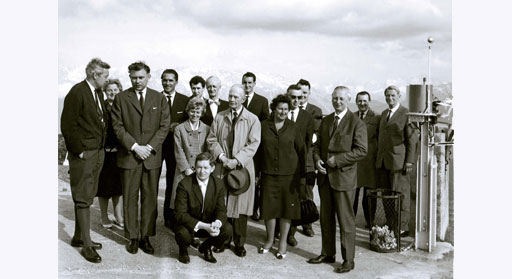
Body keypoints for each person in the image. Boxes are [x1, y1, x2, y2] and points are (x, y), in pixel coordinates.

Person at [111, 61, 170, 255]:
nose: (137, 81)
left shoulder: (159, 98)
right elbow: (117, 127)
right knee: (129, 198)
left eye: (141, 77)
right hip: (130, 157)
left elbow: (164, 127)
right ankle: (132, 237)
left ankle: (145, 237)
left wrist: (149, 148)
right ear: (129, 77)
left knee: (150, 199)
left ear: (148, 77)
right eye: (134, 77)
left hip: (151, 158)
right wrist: (136, 147)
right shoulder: (121, 98)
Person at [308, 86, 367, 274]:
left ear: (348, 100)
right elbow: (316, 146)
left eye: (341, 99)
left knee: (346, 221)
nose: (337, 102)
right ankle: (327, 253)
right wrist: (317, 160)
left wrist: (338, 160)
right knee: (326, 219)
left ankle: (348, 259)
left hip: (343, 179)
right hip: (325, 178)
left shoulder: (356, 123)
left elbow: (361, 150)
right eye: (335, 98)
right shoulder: (326, 121)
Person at [61, 58, 110, 263]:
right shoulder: (77, 92)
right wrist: (79, 151)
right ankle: (87, 246)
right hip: (84, 154)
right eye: (105, 76)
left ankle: (79, 237)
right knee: (82, 197)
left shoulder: (97, 92)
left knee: (87, 195)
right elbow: (67, 125)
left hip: (97, 152)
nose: (107, 80)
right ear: (94, 75)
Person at [207, 84, 261, 257]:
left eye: (235, 97)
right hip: (222, 166)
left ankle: (239, 243)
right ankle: (223, 240)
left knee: (240, 208)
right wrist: (222, 158)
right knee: (222, 205)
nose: (231, 99)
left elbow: (254, 143)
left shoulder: (252, 119)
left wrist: (236, 160)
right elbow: (211, 140)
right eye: (230, 96)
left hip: (241, 170)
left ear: (243, 99)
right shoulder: (220, 117)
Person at [257, 94, 306, 259]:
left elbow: (302, 151)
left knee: (286, 210)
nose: (283, 112)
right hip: (268, 175)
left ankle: (283, 242)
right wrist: (257, 173)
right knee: (269, 209)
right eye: (280, 108)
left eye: (286, 109)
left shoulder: (294, 127)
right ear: (274, 109)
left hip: (289, 176)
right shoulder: (264, 126)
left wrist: (302, 176)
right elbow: (258, 151)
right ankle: (270, 240)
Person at [174, 152, 233, 264]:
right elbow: (180, 214)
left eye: (206, 167)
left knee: (228, 229)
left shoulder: (218, 184)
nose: (202, 171)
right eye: (199, 167)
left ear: (212, 168)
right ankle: (183, 250)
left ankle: (206, 247)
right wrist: (204, 226)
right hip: (190, 224)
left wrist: (217, 223)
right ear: (195, 167)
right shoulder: (184, 184)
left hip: (209, 223)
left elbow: (221, 210)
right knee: (182, 233)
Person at [375, 85, 417, 237]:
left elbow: (412, 140)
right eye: (387, 96)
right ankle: (391, 223)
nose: (390, 99)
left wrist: (409, 162)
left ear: (399, 96)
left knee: (401, 194)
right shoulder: (384, 113)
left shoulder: (406, 114)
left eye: (393, 95)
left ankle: (402, 226)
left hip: (399, 163)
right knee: (387, 195)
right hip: (384, 162)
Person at [276, 85, 313, 247]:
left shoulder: (306, 117)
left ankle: (290, 234)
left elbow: (307, 145)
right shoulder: (278, 114)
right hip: (278, 166)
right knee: (278, 200)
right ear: (287, 97)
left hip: (296, 167)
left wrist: (303, 170)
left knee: (293, 201)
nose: (296, 100)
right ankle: (277, 231)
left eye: (299, 97)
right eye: (293, 97)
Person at [160, 69, 189, 229]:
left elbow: (188, 121)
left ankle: (169, 217)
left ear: (176, 81)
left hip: (175, 149)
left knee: (172, 183)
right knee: (151, 183)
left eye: (171, 80)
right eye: (164, 80)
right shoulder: (155, 98)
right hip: (156, 147)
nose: (167, 83)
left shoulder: (184, 100)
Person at [170, 97, 210, 211]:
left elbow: (207, 151)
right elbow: (178, 150)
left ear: (202, 113)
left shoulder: (207, 129)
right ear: (188, 111)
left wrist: (201, 169)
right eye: (192, 111)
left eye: (198, 112)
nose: (195, 114)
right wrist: (187, 169)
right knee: (181, 200)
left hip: (200, 171)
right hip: (184, 170)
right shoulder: (179, 129)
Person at [241, 72, 269, 221]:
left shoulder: (262, 101)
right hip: (239, 145)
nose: (247, 85)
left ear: (254, 84)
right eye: (245, 82)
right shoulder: (238, 99)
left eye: (250, 83)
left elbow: (265, 124)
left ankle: (254, 208)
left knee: (255, 180)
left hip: (255, 148)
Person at [297, 78, 323, 237]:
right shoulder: (290, 108)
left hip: (307, 161)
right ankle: (291, 227)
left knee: (307, 193)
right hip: (292, 160)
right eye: (300, 93)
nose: (302, 96)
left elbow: (315, 135)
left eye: (305, 93)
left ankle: (307, 224)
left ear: (309, 93)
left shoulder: (315, 111)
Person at [97, 79, 124, 229]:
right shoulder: (101, 107)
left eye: (115, 90)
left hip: (119, 153)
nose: (113, 93)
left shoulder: (122, 107)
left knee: (118, 187)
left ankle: (119, 216)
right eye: (109, 90)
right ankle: (104, 216)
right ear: (105, 92)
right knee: (104, 187)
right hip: (105, 153)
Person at [353, 91, 380, 228]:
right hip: (355, 163)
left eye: (365, 101)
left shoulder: (376, 118)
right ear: (356, 102)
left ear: (369, 102)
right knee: (353, 194)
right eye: (360, 101)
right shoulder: (351, 117)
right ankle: (350, 222)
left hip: (370, 163)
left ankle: (370, 222)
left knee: (369, 196)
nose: (362, 104)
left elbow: (380, 140)